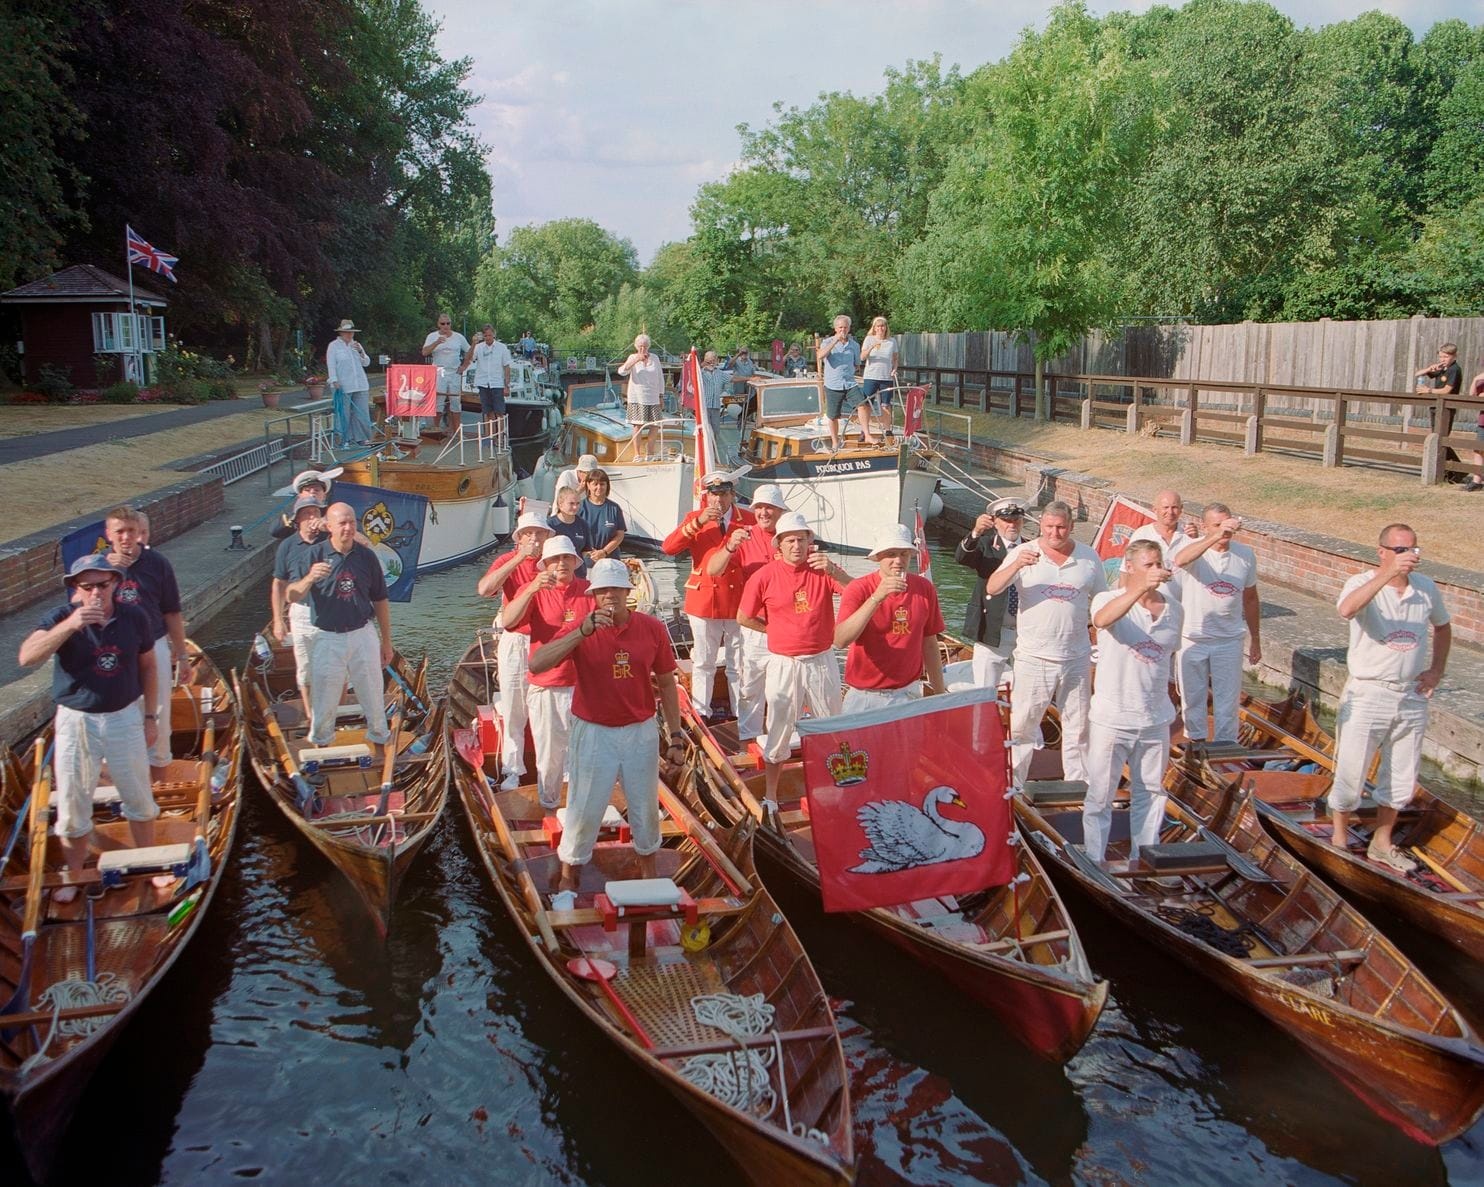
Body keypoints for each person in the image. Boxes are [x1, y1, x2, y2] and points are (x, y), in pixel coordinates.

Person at [18, 556, 173, 902]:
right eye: (87, 587)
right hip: (77, 720)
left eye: (103, 585)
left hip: (123, 716)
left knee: (137, 792)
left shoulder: (134, 617)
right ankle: (73, 874)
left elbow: (148, 666)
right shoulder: (60, 618)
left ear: (115, 584)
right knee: (74, 799)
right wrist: (71, 625)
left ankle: (145, 863)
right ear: (76, 589)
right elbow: (27, 657)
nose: (96, 593)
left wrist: (150, 718)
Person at [528, 558, 686, 894]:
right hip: (593, 731)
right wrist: (581, 632)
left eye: (616, 588)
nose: (610, 595)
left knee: (644, 805)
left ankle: (648, 871)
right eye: (603, 590)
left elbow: (668, 683)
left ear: (628, 591)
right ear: (593, 594)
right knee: (585, 804)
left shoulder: (651, 628)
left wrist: (675, 736)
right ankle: (569, 874)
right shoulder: (582, 628)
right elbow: (537, 663)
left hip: (639, 730)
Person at [1331, 524, 1451, 873]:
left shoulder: (1425, 588)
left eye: (1413, 550)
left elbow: (1443, 627)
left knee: (1401, 773)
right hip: (1369, 691)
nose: (1409, 557)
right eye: (1400, 550)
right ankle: (1339, 838)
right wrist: (1386, 576)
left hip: (1411, 693)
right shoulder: (1360, 582)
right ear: (1382, 551)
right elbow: (1347, 610)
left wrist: (1436, 671)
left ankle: (1381, 843)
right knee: (1352, 770)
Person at [983, 499, 1106, 789]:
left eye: (1061, 527)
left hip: (1076, 657)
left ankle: (1078, 785)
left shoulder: (1089, 558)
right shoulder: (1026, 552)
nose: (1055, 533)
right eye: (1049, 527)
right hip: (1033, 658)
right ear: (1041, 525)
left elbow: (1101, 601)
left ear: (1071, 527)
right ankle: (1013, 784)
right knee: (1023, 726)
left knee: (1079, 727)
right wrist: (1015, 564)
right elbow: (992, 587)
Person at [1081, 541, 1183, 864]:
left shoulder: (1175, 610)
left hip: (1155, 720)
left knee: (1151, 794)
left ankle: (1143, 856)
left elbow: (1168, 659)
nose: (1155, 571)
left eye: (1158, 564)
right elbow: (1101, 620)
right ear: (1130, 568)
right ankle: (1095, 859)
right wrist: (1137, 591)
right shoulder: (1108, 599)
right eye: (1148, 566)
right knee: (1100, 795)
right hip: (1112, 718)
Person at [738, 512, 850, 805]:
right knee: (779, 726)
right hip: (783, 663)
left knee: (831, 726)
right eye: (790, 540)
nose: (797, 545)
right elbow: (743, 616)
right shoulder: (764, 576)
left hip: (820, 660)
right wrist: (771, 629)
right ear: (780, 544)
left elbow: (857, 594)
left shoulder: (822, 569)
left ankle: (835, 790)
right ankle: (771, 797)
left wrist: (836, 572)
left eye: (801, 539)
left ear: (809, 541)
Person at [286, 503, 394, 754]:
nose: (347, 528)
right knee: (324, 694)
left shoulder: (366, 556)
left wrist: (386, 641)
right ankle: (321, 742)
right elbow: (291, 594)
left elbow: (380, 599)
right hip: (327, 635)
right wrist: (310, 577)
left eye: (351, 523)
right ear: (330, 527)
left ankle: (380, 736)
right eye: (342, 523)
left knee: (372, 690)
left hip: (362, 632)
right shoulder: (313, 555)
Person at [501, 536, 594, 809]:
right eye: (554, 559)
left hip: (584, 686)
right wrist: (530, 589)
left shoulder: (589, 591)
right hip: (548, 686)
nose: (561, 563)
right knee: (550, 757)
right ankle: (550, 805)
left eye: (566, 558)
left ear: (576, 562)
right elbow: (509, 621)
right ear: (545, 565)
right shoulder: (536, 591)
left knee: (583, 754)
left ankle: (581, 808)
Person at [663, 472, 756, 721]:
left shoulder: (747, 518)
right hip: (704, 599)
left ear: (732, 495)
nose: (719, 500)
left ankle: (740, 713)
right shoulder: (695, 519)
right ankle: (702, 713)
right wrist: (698, 522)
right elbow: (668, 547)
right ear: (707, 497)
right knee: (704, 661)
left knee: (739, 662)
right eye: (714, 495)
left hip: (738, 599)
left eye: (724, 494)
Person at [105, 504, 186, 780]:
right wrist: (108, 574)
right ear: (109, 535)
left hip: (153, 644)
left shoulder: (158, 563)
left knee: (159, 712)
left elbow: (172, 610)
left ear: (140, 533)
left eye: (132, 531)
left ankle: (159, 780)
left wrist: (183, 654)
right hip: (115, 650)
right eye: (120, 532)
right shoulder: (98, 569)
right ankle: (120, 777)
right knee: (115, 712)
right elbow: (78, 610)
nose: (126, 538)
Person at [704, 483, 788, 744]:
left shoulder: (792, 535)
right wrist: (729, 547)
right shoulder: (744, 536)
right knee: (751, 686)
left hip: (787, 627)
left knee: (783, 690)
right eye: (760, 507)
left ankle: (781, 738)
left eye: (770, 508)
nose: (764, 513)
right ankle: (750, 738)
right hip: (755, 625)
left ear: (780, 511)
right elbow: (713, 570)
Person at [1172, 503, 1261, 745]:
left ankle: (1225, 745)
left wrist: (1256, 640)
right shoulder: (1194, 549)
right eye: (1217, 525)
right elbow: (1180, 560)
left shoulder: (1245, 554)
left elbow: (1251, 598)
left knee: (1227, 700)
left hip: (1229, 640)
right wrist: (1213, 537)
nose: (1224, 530)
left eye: (1227, 524)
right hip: (1194, 637)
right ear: (1204, 527)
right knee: (1193, 697)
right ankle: (1196, 742)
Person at [477, 512, 555, 789]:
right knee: (513, 706)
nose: (534, 539)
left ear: (548, 537)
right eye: (528, 533)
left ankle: (552, 769)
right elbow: (485, 589)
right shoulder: (507, 560)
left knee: (548, 707)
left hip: (547, 641)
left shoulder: (556, 561)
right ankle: (512, 769)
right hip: (516, 639)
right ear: (519, 538)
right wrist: (520, 558)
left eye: (539, 533)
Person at [836, 523, 947, 711]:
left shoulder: (924, 588)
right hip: (866, 697)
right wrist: (876, 598)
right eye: (891, 554)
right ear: (878, 557)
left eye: (903, 554)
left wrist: (939, 693)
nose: (898, 560)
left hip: (908, 693)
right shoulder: (859, 589)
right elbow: (840, 640)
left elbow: (929, 642)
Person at [954, 497, 1027, 690]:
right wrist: (976, 532)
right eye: (1006, 520)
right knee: (985, 689)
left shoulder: (1032, 548)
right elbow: (962, 557)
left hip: (1026, 631)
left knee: (1027, 690)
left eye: (1016, 520)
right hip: (992, 629)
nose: (1012, 525)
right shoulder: (985, 545)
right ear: (995, 522)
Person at [271, 495, 329, 706]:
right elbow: (278, 584)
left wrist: (330, 526)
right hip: (302, 612)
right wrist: (278, 620)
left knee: (336, 668)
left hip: (332, 611)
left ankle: (335, 715)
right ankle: (310, 713)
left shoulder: (333, 539)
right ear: (298, 520)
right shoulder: (287, 546)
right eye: (307, 513)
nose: (313, 516)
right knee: (305, 667)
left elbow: (364, 545)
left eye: (316, 512)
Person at [816, 315, 865, 451]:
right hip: (833, 384)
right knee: (833, 415)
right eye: (840, 327)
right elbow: (820, 356)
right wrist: (835, 342)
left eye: (845, 327)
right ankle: (835, 441)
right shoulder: (827, 342)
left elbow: (857, 365)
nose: (843, 330)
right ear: (835, 328)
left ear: (849, 328)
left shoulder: (854, 345)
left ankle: (866, 434)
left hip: (849, 383)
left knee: (862, 405)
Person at [420, 312, 471, 435]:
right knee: (439, 401)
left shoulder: (458, 337)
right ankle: (436, 429)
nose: (446, 326)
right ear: (438, 324)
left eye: (448, 323)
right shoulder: (432, 336)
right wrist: (437, 342)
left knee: (455, 402)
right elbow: (424, 352)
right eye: (443, 324)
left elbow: (470, 352)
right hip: (439, 371)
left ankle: (457, 431)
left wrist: (464, 366)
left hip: (454, 372)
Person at [326, 319, 374, 445]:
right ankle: (343, 439)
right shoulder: (334, 346)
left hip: (360, 384)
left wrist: (360, 351)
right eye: (347, 332)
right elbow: (331, 364)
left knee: (362, 413)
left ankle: (362, 438)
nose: (349, 335)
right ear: (341, 333)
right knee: (343, 414)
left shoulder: (357, 345)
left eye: (351, 332)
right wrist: (334, 380)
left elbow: (366, 363)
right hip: (343, 385)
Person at [617, 334, 665, 460]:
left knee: (655, 425)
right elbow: (622, 371)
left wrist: (661, 395)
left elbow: (660, 377)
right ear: (636, 347)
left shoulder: (655, 358)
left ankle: (650, 453)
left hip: (653, 397)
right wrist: (636, 360)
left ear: (648, 346)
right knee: (638, 425)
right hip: (637, 397)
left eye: (645, 346)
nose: (643, 349)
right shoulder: (632, 357)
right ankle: (637, 454)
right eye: (640, 346)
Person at [463, 323, 513, 435]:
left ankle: (500, 437)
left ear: (493, 335)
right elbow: (468, 359)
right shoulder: (478, 347)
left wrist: (506, 385)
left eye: (490, 335)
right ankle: (490, 437)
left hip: (497, 383)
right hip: (483, 383)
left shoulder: (502, 347)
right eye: (485, 336)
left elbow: (507, 367)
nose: (488, 338)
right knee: (487, 411)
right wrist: (473, 344)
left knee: (499, 412)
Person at [270, 468, 344, 541]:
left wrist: (329, 527)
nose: (312, 493)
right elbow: (275, 531)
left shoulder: (334, 514)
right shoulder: (292, 516)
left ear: (324, 496)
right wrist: (297, 517)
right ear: (300, 496)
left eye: (317, 490)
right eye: (307, 490)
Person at [1129, 490, 1194, 564]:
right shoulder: (1142, 534)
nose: (1170, 512)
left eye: (1174, 507)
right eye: (1166, 507)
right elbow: (1127, 569)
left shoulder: (1188, 533)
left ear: (1181, 509)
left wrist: (1195, 540)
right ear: (1155, 510)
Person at [578, 469, 627, 565]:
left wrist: (604, 552)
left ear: (607, 486)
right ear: (588, 485)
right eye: (595, 484)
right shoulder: (580, 507)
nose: (599, 487)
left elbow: (620, 535)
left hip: (611, 562)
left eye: (602, 484)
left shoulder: (614, 508)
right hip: (585, 562)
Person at [859, 315, 899, 425]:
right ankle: (865, 430)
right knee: (867, 403)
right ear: (874, 328)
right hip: (871, 376)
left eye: (883, 326)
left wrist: (894, 369)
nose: (880, 328)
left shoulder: (892, 341)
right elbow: (862, 357)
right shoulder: (869, 339)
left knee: (886, 404)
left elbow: (895, 358)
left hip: (886, 377)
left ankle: (887, 430)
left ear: (886, 327)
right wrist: (872, 346)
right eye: (878, 326)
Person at [548, 486, 594, 577]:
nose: (575, 507)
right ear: (560, 504)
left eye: (577, 503)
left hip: (579, 574)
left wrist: (593, 554)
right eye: (571, 503)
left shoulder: (583, 524)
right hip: (557, 575)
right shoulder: (550, 525)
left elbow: (585, 550)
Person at [1466, 367, 1484, 493]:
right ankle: (1476, 481)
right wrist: (1475, 379)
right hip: (1483, 421)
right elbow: (1472, 396)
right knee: (1478, 450)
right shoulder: (1481, 381)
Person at [700, 351, 730, 418]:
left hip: (716, 406)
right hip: (704, 407)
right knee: (705, 427)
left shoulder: (720, 373)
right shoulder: (700, 373)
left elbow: (732, 378)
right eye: (709, 361)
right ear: (705, 361)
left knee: (715, 427)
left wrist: (749, 378)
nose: (712, 362)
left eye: (714, 360)